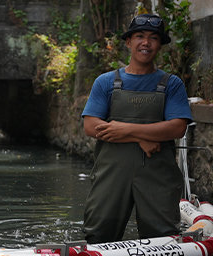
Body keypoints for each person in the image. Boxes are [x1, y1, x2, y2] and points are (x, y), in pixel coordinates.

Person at [81, 14, 192, 243]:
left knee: (163, 240)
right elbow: (91, 126)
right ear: (128, 42)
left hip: (157, 177)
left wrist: (126, 129)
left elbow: (177, 127)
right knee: (98, 237)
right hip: (111, 177)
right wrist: (140, 138)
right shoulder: (105, 82)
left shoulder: (171, 84)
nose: (146, 43)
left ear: (160, 45)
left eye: (153, 38)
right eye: (139, 36)